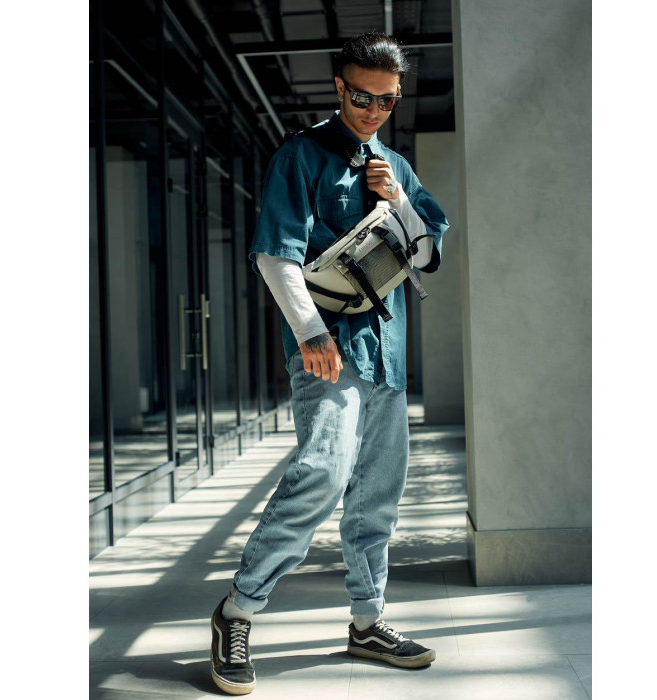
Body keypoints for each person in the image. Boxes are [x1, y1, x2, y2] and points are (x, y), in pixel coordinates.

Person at [210, 32, 449, 696]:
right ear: (339, 87)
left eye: (386, 100)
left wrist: (397, 200)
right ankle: (238, 611)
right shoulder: (301, 155)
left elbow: (429, 254)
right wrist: (311, 333)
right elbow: (275, 253)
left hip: (386, 355)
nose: (372, 111)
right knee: (322, 473)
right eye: (360, 97)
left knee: (378, 493)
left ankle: (368, 622)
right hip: (329, 352)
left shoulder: (395, 166)